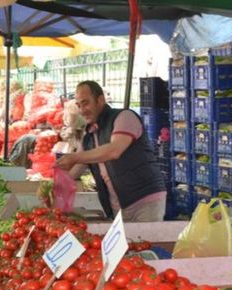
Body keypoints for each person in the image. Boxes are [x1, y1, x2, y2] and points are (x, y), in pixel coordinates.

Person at [54, 80, 167, 222]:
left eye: (86, 103)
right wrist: (52, 188)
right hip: (117, 206)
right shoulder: (89, 136)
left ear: (100, 100)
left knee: (144, 242)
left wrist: (75, 157)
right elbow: (75, 170)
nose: (82, 110)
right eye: (79, 105)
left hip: (144, 199)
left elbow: (114, 150)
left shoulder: (124, 117)